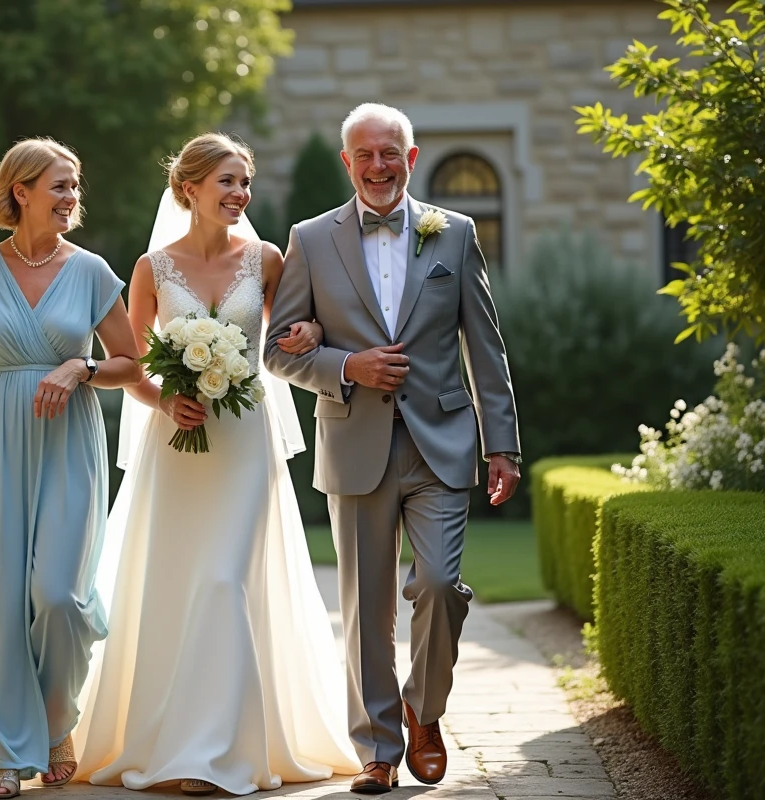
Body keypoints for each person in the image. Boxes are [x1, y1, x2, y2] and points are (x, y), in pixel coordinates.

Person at [73, 133, 360, 795]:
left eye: (244, 183)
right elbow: (133, 364)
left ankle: (218, 752)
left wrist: (310, 333)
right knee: (179, 583)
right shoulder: (151, 268)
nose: (240, 195)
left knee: (226, 580)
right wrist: (164, 400)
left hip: (245, 441)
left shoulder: (264, 259)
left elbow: (301, 331)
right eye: (227, 182)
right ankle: (175, 737)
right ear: (189, 189)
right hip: (176, 447)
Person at [263, 103, 522, 795]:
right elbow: (275, 352)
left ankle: (424, 710)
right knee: (366, 611)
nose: (378, 166)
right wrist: (348, 367)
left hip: (443, 443)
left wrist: (504, 447)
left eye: (390, 154)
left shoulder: (455, 232)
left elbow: (485, 347)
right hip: (354, 442)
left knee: (438, 584)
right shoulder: (311, 239)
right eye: (364, 155)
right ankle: (378, 748)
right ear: (348, 163)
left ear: (410, 159)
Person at [0, 137, 142, 799]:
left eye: (75, 186)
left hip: (66, 445)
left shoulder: (91, 271)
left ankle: (56, 722)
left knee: (59, 596)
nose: (71, 198)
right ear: (19, 190)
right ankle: (9, 753)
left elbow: (131, 363)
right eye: (59, 185)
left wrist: (81, 365)